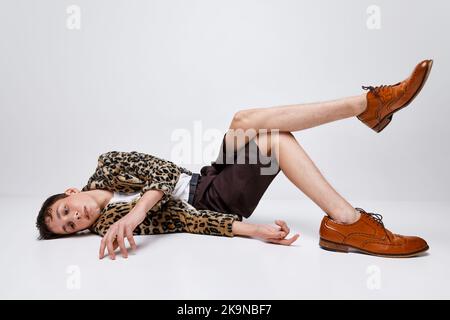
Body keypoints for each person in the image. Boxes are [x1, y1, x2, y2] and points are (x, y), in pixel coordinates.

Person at [37, 59, 433, 259]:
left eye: (65, 210)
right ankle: (347, 222)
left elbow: (159, 170)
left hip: (204, 177)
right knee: (277, 141)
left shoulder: (108, 164)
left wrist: (135, 212)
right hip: (209, 199)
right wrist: (251, 231)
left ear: (71, 192)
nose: (75, 219)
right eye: (68, 227)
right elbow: (184, 218)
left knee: (243, 119)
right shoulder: (107, 227)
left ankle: (368, 104)